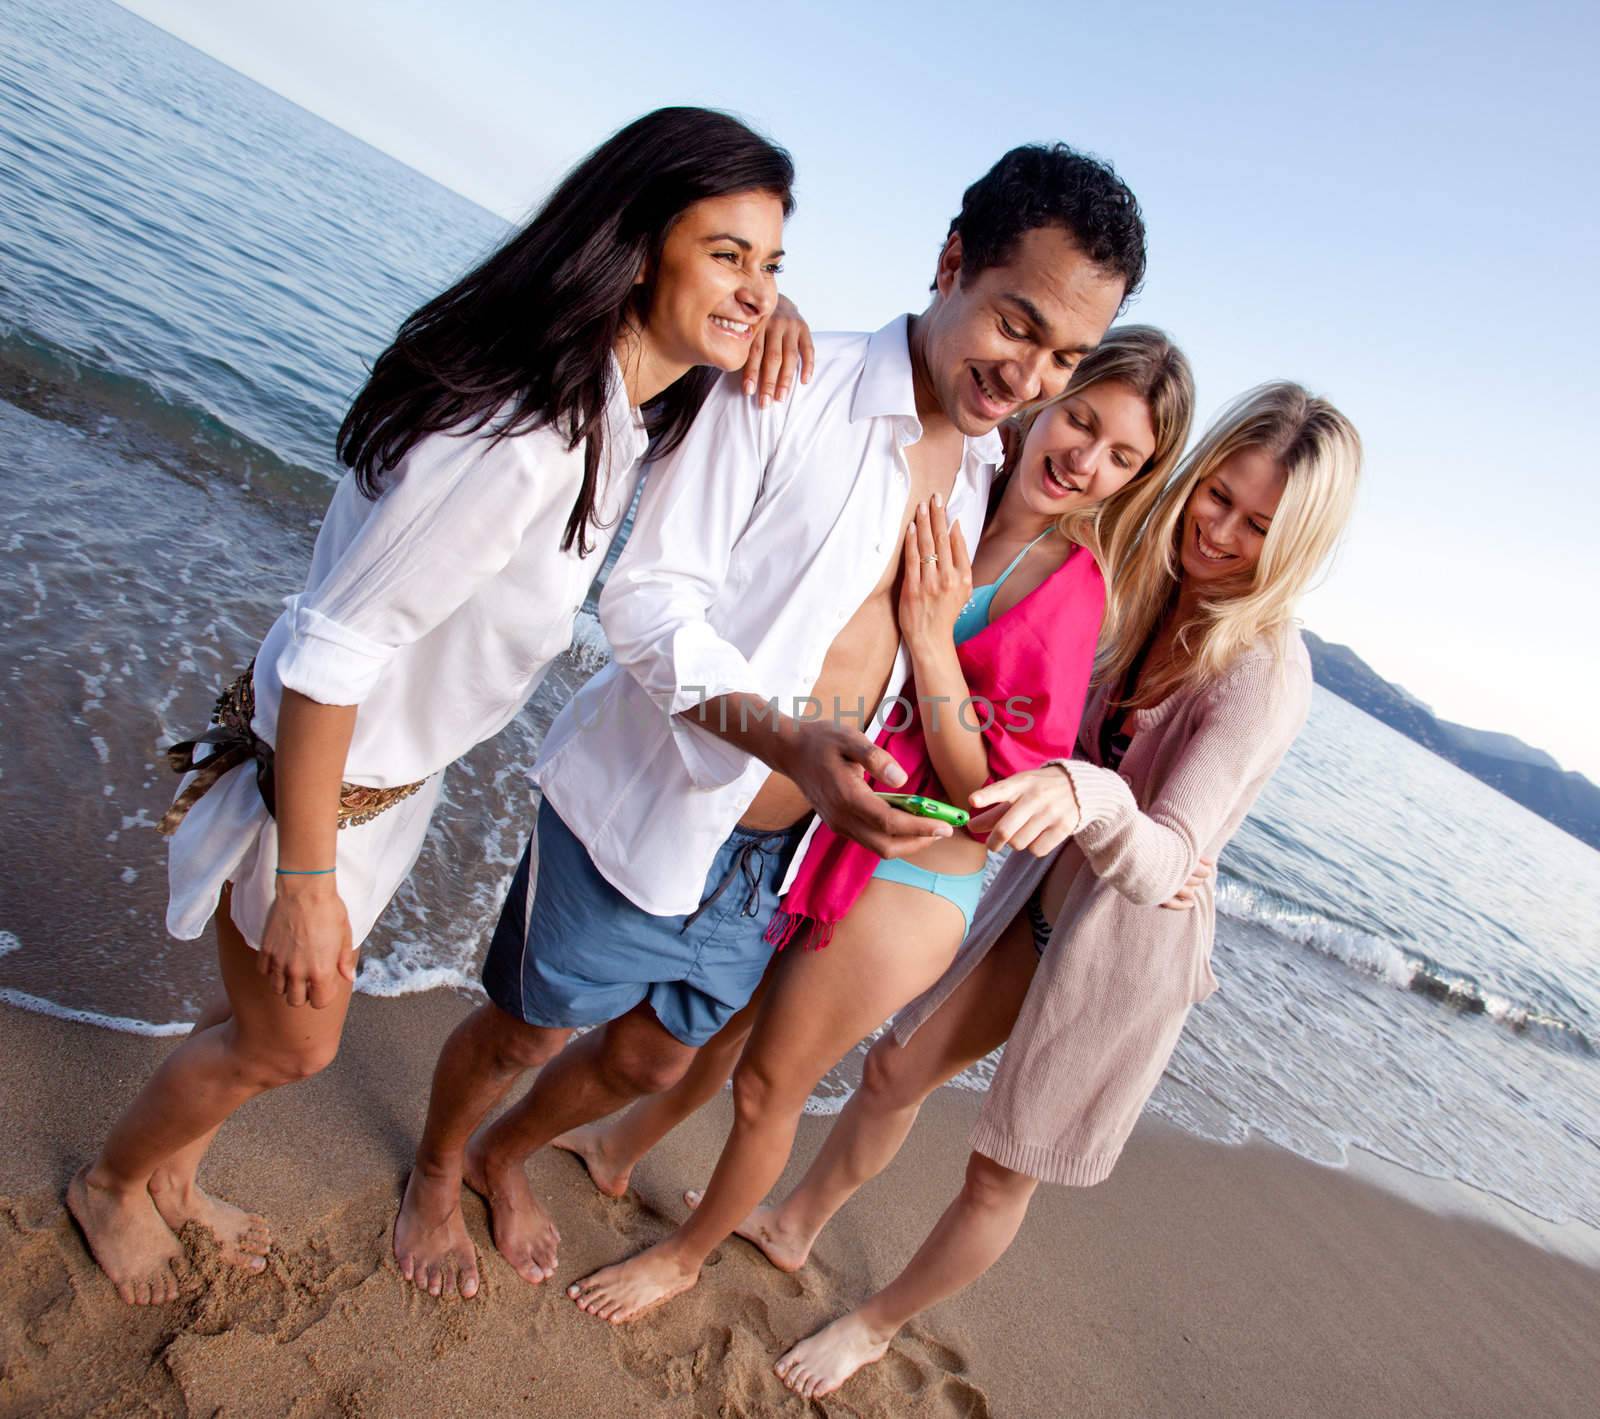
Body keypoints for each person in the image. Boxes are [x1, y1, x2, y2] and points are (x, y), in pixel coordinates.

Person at [66, 106, 802, 1307]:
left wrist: (755, 304)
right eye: (727, 252)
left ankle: (176, 1178)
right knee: (288, 1041)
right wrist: (307, 880)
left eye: (771, 264)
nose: (758, 290)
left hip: (387, 782)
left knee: (256, 1020)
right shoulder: (522, 439)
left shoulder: (615, 413)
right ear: (633, 249)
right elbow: (329, 650)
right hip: (323, 780)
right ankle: (110, 1183)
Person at [392, 142, 1148, 1302]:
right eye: (1015, 325)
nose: (1032, 375)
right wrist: (786, 739)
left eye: (1064, 355)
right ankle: (441, 1167)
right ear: (950, 260)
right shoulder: (786, 381)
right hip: (649, 804)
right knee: (528, 1030)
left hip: (781, 857)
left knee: (654, 1054)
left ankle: (506, 1152)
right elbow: (644, 603)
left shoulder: (989, 462)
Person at [562, 327, 1196, 1323]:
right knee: (721, 1031)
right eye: (1083, 420)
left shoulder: (1069, 593)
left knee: (771, 1083)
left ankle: (683, 1259)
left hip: (916, 874)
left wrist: (934, 641)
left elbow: (993, 794)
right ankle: (613, 1148)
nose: (1086, 459)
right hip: (830, 818)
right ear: (1052, 399)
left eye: (1124, 456)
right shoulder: (965, 479)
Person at [749, 382, 1362, 1399]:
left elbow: (1166, 859)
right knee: (895, 1067)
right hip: (1044, 887)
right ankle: (790, 1222)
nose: (1217, 533)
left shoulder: (1263, 671)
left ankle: (873, 1323)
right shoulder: (1142, 573)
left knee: (1001, 1166)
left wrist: (1086, 787)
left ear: (1294, 544)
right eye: (1215, 496)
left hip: (1131, 942)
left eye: (1256, 527)